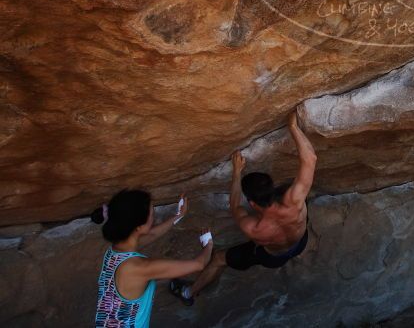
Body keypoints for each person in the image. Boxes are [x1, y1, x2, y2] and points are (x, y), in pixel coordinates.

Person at [171, 110, 317, 304]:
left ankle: (188, 294)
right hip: (299, 242)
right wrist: (292, 127)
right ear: (271, 187)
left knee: (219, 259)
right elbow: (310, 159)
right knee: (299, 192)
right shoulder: (296, 201)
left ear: (251, 203)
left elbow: (234, 205)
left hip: (271, 257)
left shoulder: (252, 227)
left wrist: (237, 173)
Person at [92, 189, 213, 327]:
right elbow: (199, 264)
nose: (153, 216)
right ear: (138, 227)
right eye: (152, 213)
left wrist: (178, 216)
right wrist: (208, 245)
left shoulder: (116, 249)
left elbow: (151, 235)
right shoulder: (139, 268)